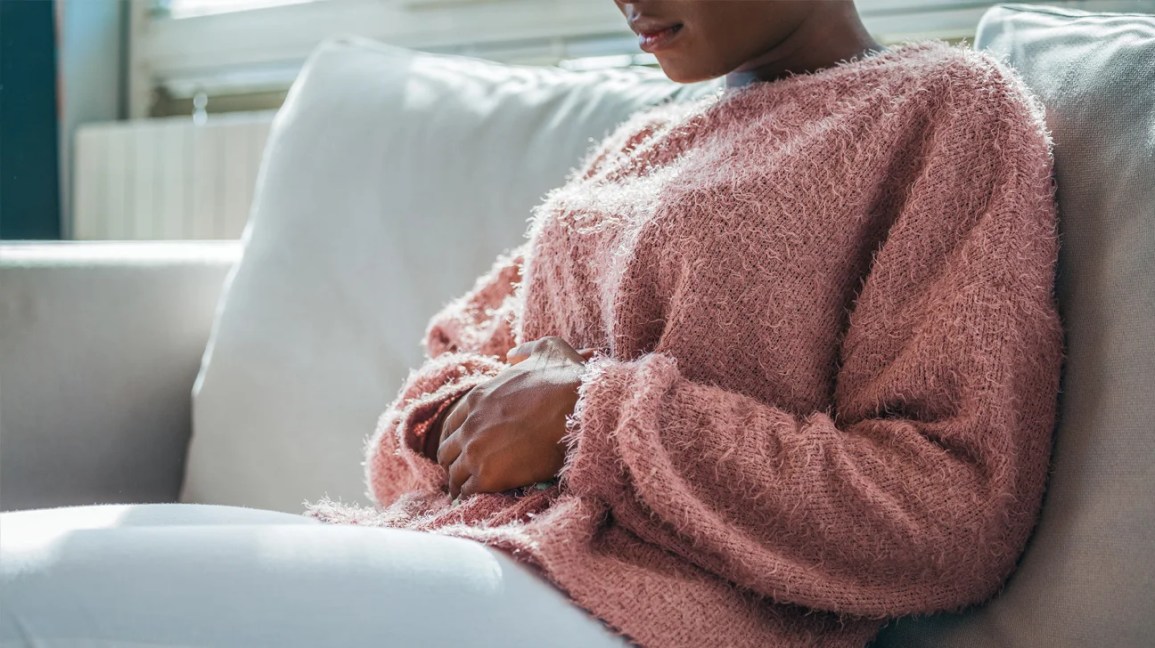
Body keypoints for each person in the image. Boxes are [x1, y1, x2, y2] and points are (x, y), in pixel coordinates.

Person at [0, 2, 1064, 647]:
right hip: (472, 557)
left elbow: (949, 510)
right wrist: (471, 423)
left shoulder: (947, 110)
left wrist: (585, 420)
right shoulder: (645, 141)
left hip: (652, 620)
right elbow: (439, 395)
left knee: (28, 601)